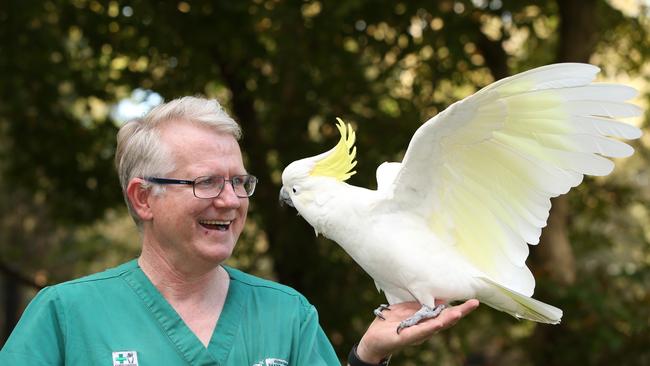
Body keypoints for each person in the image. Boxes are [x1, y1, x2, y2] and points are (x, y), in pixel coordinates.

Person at [0, 96, 478, 365]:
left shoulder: (288, 315)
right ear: (143, 198)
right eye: (206, 182)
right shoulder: (64, 316)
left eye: (238, 181)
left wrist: (367, 357)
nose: (230, 201)